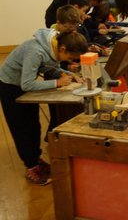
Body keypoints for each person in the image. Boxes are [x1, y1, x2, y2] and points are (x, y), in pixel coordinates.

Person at [0, 30, 88, 185]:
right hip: (10, 86)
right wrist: (58, 83)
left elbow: (47, 67)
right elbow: (26, 83)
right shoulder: (36, 51)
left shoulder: (52, 47)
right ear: (62, 48)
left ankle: (35, 159)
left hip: (23, 86)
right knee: (21, 128)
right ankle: (31, 166)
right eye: (70, 57)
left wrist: (68, 73)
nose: (70, 60)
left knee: (34, 125)